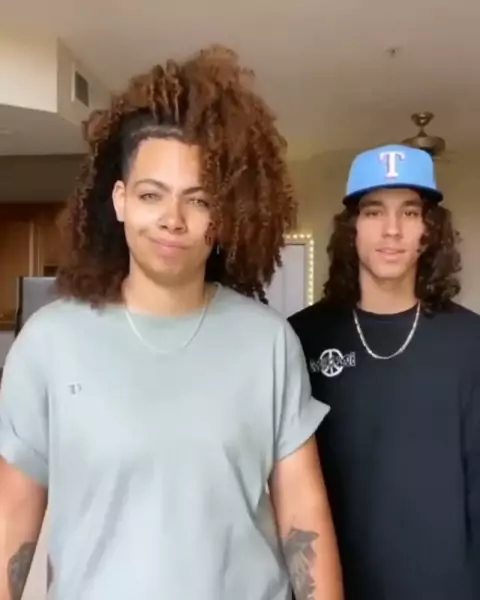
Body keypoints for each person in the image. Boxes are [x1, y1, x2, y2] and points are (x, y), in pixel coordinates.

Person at [0, 46, 343, 600]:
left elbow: (303, 520)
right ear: (119, 201)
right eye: (151, 195)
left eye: (198, 200)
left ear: (221, 216)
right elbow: (11, 522)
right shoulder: (49, 343)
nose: (172, 220)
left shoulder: (268, 342)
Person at [289, 144, 480, 600]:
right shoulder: (300, 337)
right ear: (351, 228)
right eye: (374, 212)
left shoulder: (471, 340)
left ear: (429, 231)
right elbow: (285, 489)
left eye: (410, 213)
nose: (392, 230)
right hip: (336, 588)